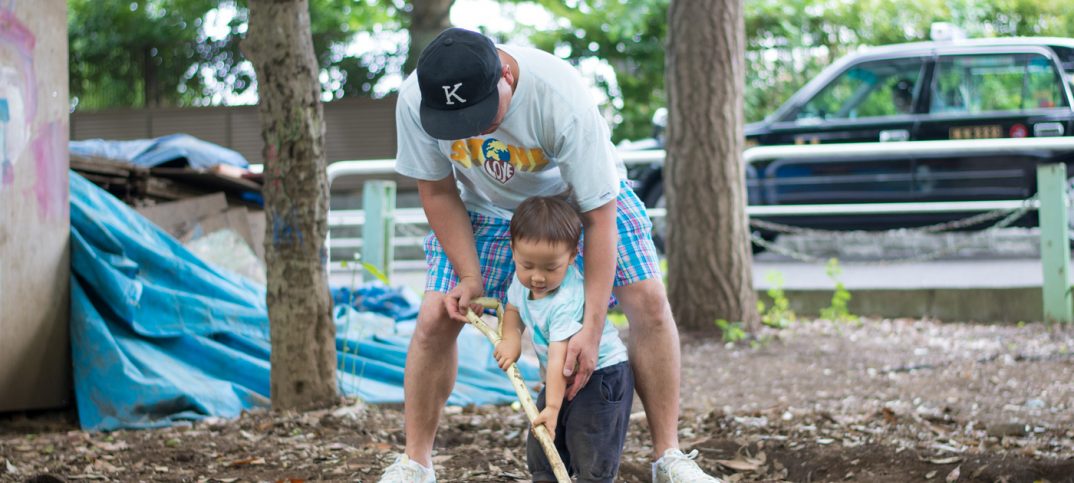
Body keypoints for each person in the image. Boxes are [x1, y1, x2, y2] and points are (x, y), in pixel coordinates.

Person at [378, 27, 722, 483]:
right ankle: (416, 464)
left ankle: (669, 458)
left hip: (578, 201)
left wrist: (591, 330)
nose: (473, 130)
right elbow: (439, 191)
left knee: (650, 303)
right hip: (482, 208)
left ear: (506, 74)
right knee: (433, 320)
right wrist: (470, 276)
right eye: (458, 123)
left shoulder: (559, 94)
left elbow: (599, 216)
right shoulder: (415, 99)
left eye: (483, 113)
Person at [492, 195, 633, 483]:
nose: (537, 277)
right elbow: (512, 308)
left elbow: (560, 355)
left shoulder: (567, 297)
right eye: (527, 264)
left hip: (599, 377)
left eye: (550, 267)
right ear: (513, 250)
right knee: (543, 445)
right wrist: (511, 338)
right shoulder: (522, 285)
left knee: (590, 446)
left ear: (571, 257)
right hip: (561, 377)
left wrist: (553, 408)